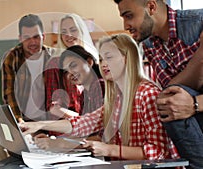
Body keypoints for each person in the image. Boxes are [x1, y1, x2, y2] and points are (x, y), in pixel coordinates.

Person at [20, 33, 179, 160]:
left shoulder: (148, 94)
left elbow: (158, 152)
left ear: (127, 58)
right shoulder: (117, 98)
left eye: (109, 57)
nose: (103, 64)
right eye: (101, 58)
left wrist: (109, 149)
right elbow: (84, 123)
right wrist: (39, 125)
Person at [113, 0, 203, 168]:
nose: (126, 25)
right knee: (168, 100)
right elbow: (171, 93)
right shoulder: (149, 45)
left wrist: (195, 104)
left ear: (151, 7)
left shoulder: (199, 23)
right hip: (194, 132)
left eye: (129, 16)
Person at [0, 14, 54, 167]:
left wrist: (43, 127)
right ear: (20, 38)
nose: (32, 42)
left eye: (36, 37)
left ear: (43, 36)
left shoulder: (53, 57)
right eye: (27, 37)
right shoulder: (11, 57)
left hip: (47, 121)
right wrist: (19, 123)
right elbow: (8, 93)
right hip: (19, 119)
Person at [35, 45, 104, 151]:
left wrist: (59, 143)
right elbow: (83, 131)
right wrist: (53, 140)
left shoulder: (100, 86)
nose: (70, 73)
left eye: (73, 65)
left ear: (89, 62)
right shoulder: (84, 94)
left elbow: (101, 138)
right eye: (66, 71)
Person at [45, 13, 99, 118]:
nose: (68, 35)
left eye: (73, 30)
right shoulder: (55, 63)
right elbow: (53, 106)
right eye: (63, 32)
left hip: (95, 124)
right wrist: (81, 121)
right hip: (67, 127)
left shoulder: (94, 58)